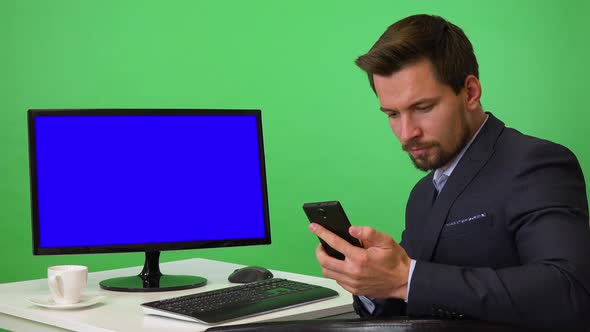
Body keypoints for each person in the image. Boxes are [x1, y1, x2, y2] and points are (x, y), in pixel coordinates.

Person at [308, 14, 590, 328]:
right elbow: (415, 301)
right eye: (391, 113)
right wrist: (372, 282)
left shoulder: (537, 163)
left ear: (470, 92)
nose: (406, 132)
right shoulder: (422, 194)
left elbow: (569, 290)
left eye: (423, 108)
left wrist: (406, 278)